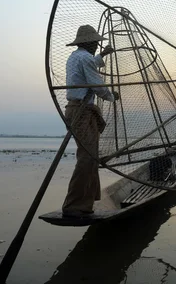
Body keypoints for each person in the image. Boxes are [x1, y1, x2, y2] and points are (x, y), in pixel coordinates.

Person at [62, 24, 118, 218]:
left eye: (97, 43)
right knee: (86, 158)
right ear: (87, 42)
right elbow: (96, 84)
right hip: (81, 111)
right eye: (94, 42)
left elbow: (90, 64)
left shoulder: (76, 57)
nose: (96, 45)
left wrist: (103, 54)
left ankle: (87, 202)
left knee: (91, 156)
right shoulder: (84, 57)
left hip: (78, 109)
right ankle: (74, 206)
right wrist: (112, 96)